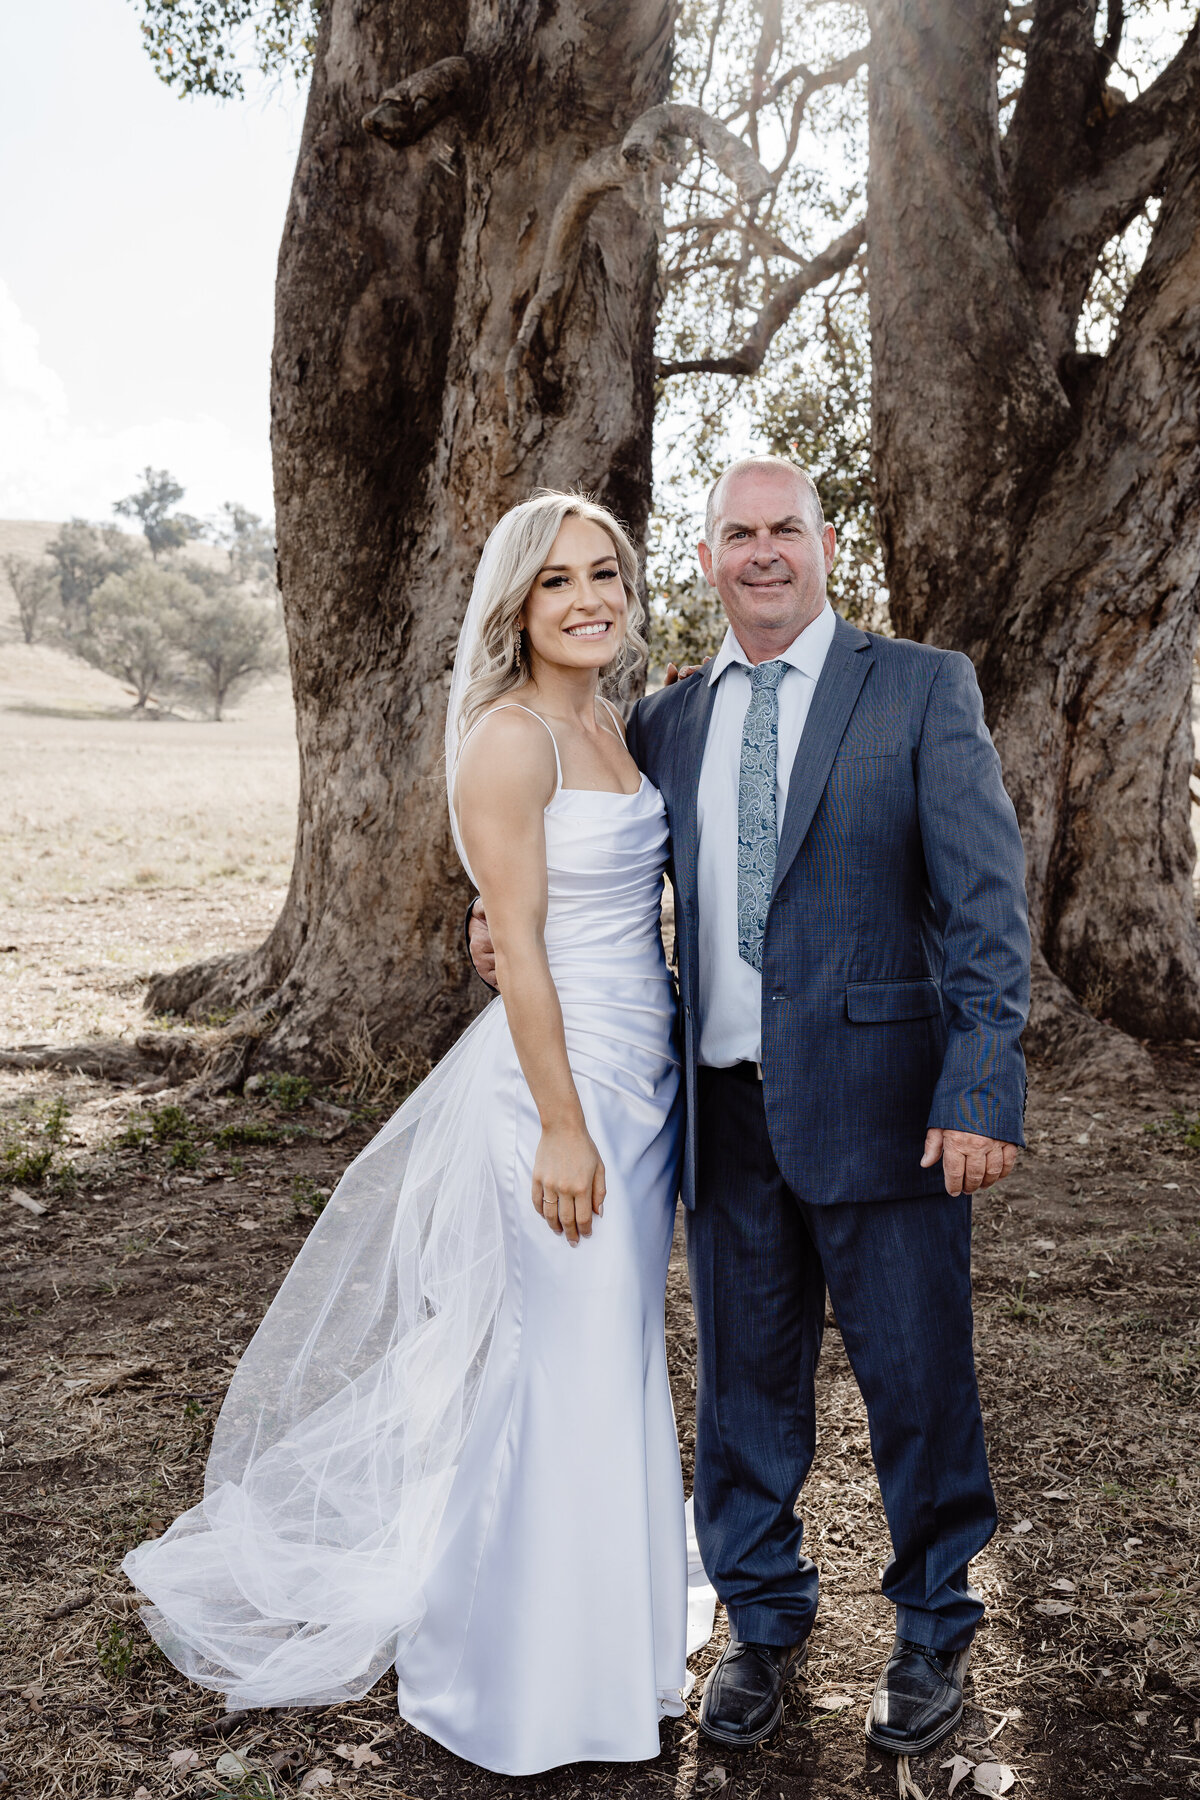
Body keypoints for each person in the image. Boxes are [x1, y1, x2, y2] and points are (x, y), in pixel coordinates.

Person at [122, 492, 714, 1777]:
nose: (586, 599)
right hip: (560, 1093)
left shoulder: (613, 722)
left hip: (646, 1082)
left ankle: (615, 1651)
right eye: (556, 583)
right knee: (564, 1368)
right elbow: (526, 955)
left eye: (602, 573)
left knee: (610, 1365)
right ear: (516, 608)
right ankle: (525, 1680)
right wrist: (562, 1125)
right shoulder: (510, 744)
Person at [470, 455, 1030, 1758]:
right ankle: (762, 1622)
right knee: (744, 1394)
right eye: (739, 533)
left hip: (895, 1111)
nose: (764, 551)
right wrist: (486, 932)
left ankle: (933, 1623)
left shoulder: (920, 688)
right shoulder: (667, 721)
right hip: (718, 1117)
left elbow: (988, 908)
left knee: (918, 1383)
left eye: (786, 529)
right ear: (711, 559)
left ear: (826, 546)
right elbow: (561, 867)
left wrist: (982, 1082)